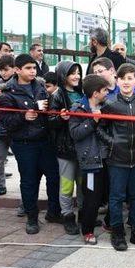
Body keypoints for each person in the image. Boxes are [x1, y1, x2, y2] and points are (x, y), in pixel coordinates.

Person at [0, 54, 62, 234]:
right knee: (29, 181)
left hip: (45, 141)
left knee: (54, 177)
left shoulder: (41, 86)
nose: (32, 71)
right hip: (24, 144)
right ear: (17, 70)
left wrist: (51, 112)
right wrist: (23, 116)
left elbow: (46, 110)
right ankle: (32, 217)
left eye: (34, 68)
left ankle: (54, 212)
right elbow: (5, 121)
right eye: (28, 68)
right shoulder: (7, 92)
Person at [97, 63, 135, 251]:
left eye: (130, 78)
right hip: (117, 160)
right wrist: (112, 143)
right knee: (116, 198)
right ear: (117, 80)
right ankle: (117, 232)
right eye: (122, 78)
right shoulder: (110, 103)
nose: (126, 82)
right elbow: (99, 128)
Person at [69, 74, 110, 245]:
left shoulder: (106, 107)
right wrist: (92, 121)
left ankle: (87, 219)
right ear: (95, 93)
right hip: (90, 162)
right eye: (105, 90)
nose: (107, 93)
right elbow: (75, 134)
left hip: (105, 158)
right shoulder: (78, 109)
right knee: (91, 198)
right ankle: (87, 230)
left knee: (102, 195)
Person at [47, 61, 84, 235]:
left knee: (83, 185)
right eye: (72, 73)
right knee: (67, 185)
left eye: (78, 72)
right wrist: (61, 118)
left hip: (83, 148)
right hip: (65, 150)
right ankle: (68, 216)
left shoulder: (81, 92)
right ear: (63, 76)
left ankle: (84, 215)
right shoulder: (57, 95)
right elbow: (50, 122)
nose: (76, 76)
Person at [0, 55, 16, 196]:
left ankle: (25, 191)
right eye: (1, 70)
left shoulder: (19, 83)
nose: (4, 72)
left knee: (23, 162)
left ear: (14, 69)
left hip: (16, 129)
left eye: (7, 69)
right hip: (0, 128)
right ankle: (0, 185)